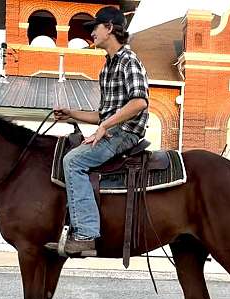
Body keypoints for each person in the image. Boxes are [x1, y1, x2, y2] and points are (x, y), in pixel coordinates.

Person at [52, 6, 149, 255]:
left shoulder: (129, 60)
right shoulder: (106, 68)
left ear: (109, 28)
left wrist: (105, 126)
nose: (91, 33)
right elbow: (103, 115)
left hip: (125, 134)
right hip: (112, 130)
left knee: (73, 161)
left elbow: (139, 102)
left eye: (95, 27)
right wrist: (71, 113)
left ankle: (85, 235)